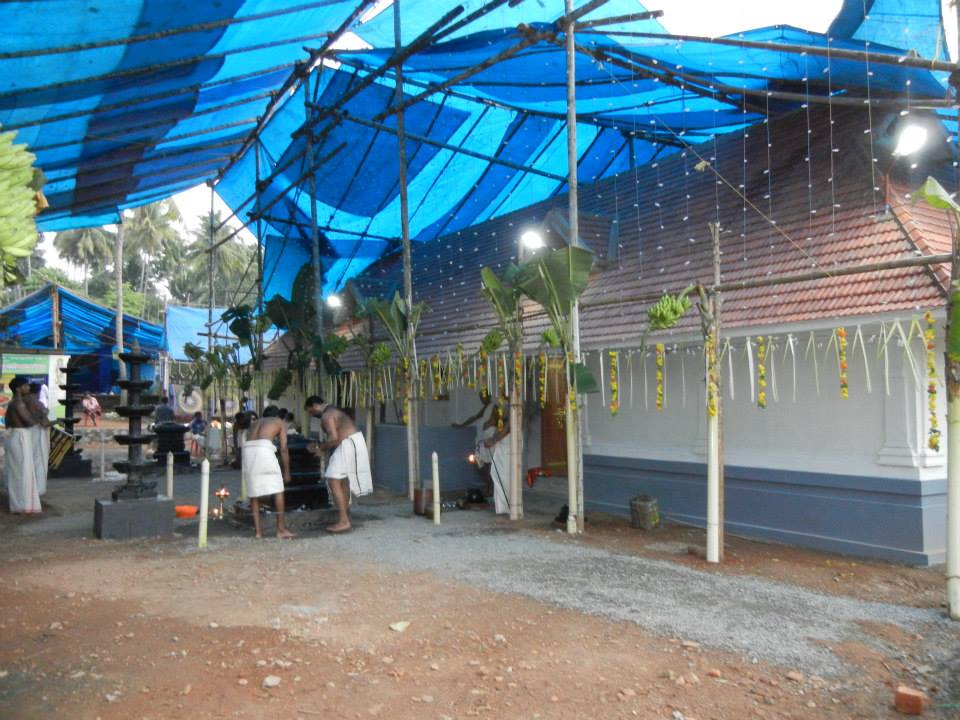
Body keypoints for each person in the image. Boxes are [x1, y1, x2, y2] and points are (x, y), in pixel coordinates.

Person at [305, 396, 372, 534]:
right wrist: (319, 445)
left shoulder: (327, 415)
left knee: (333, 479)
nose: (311, 415)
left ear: (315, 406)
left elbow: (334, 438)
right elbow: (335, 437)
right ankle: (345, 516)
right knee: (341, 480)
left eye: (310, 411)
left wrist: (320, 449)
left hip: (348, 444)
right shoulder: (333, 411)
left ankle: (344, 521)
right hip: (352, 442)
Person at [242, 406, 294, 539]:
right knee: (278, 491)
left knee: (254, 494)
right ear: (277, 415)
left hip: (248, 452)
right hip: (264, 450)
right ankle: (281, 529)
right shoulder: (279, 422)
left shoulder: (254, 424)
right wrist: (287, 471)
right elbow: (283, 448)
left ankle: (258, 532)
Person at [3, 377, 43, 514]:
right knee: (20, 472)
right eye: (25, 386)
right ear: (18, 389)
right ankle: (20, 505)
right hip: (20, 437)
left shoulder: (14, 403)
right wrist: (42, 414)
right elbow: (29, 421)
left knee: (20, 471)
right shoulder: (18, 403)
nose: (28, 388)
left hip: (17, 436)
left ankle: (21, 504)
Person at [475, 395, 511, 515]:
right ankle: (499, 502)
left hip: (501, 442)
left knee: (496, 469)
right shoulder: (492, 407)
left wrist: (494, 438)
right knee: (482, 463)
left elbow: (503, 424)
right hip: (492, 439)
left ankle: (504, 504)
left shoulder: (502, 407)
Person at [26, 384, 51, 497]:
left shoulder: (23, 402)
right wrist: (56, 422)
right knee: (39, 459)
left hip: (27, 433)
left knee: (27, 458)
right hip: (37, 432)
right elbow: (44, 423)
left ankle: (27, 486)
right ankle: (38, 487)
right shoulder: (38, 404)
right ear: (39, 391)